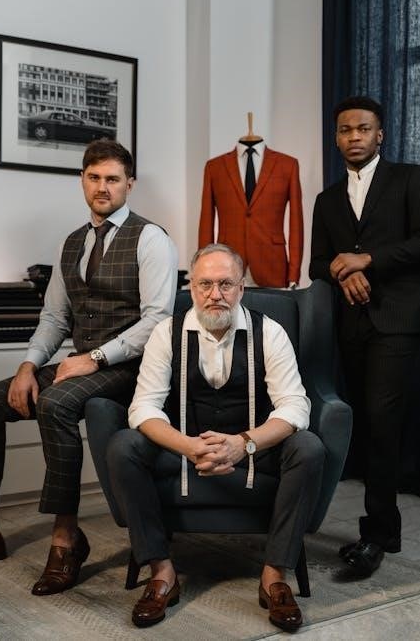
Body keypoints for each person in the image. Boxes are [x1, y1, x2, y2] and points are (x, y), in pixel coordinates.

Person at [89, 243, 324, 631]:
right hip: (183, 449)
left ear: (241, 288)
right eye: (205, 284)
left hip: (253, 449)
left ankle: (274, 575)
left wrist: (243, 443)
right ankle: (162, 572)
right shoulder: (167, 332)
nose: (216, 294)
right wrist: (189, 446)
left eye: (226, 284)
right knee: (123, 446)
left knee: (309, 448)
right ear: (192, 288)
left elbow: (295, 406)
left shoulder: (270, 332)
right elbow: (143, 407)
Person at [0, 139, 178, 596]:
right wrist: (28, 366)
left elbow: (158, 320)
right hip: (81, 364)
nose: (102, 187)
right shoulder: (71, 243)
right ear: (82, 181)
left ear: (130, 184)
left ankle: (66, 537)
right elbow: (55, 317)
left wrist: (94, 358)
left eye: (113, 178)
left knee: (55, 403)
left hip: (131, 367)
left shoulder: (151, 238)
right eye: (94, 177)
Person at [310, 96, 420, 577]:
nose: (353, 136)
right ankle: (386, 530)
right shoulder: (326, 200)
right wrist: (344, 271)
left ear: (380, 135)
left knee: (382, 421)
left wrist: (367, 260)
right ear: (336, 139)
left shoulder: (410, 179)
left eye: (363, 128)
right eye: (344, 130)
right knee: (367, 425)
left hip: (397, 321)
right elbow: (317, 264)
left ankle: (376, 534)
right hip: (351, 326)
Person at [198, 138, 303, 288]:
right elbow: (206, 222)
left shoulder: (287, 165)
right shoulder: (214, 167)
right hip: (227, 264)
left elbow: (296, 223)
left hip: (272, 265)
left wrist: (294, 275)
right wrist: (204, 269)